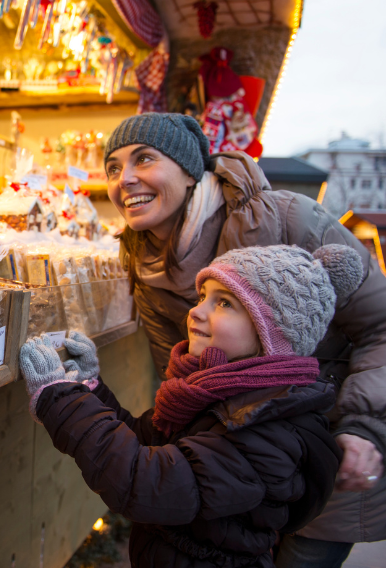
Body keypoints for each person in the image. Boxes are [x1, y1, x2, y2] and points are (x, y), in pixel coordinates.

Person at [102, 113, 386, 565]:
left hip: (326, 454)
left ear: (189, 169)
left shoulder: (287, 219)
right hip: (239, 478)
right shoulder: (146, 264)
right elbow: (180, 380)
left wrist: (364, 425)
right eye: (113, 167)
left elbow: (381, 323)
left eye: (144, 159)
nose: (125, 179)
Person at [20, 244, 361, 567]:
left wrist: (61, 398)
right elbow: (144, 440)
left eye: (224, 303)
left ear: (272, 335)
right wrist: (88, 387)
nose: (196, 311)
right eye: (202, 297)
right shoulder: (212, 393)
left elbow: (147, 482)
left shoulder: (268, 432)